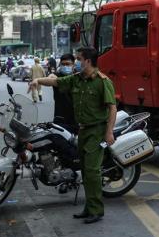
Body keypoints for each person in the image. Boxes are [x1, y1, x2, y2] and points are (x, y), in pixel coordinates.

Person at [28, 47, 117, 224]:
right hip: (82, 130)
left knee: (92, 172)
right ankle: (88, 207)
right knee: (84, 170)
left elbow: (111, 107)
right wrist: (37, 80)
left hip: (96, 131)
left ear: (88, 61)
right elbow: (56, 83)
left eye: (78, 59)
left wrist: (109, 132)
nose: (76, 63)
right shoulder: (77, 79)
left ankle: (96, 209)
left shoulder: (102, 82)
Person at [49, 53, 77, 132]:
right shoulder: (57, 76)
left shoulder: (78, 78)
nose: (65, 66)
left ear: (73, 65)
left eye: (68, 64)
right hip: (60, 119)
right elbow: (51, 77)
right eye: (63, 64)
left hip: (75, 120)